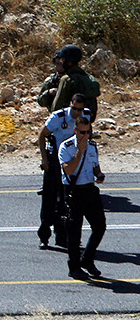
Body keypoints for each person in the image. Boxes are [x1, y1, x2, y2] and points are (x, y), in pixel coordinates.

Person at [36, 93, 91, 248]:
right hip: (55, 162)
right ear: (70, 104)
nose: (77, 112)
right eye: (74, 108)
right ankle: (44, 236)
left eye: (80, 109)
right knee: (49, 200)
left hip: (72, 161)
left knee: (66, 203)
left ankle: (63, 237)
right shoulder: (58, 117)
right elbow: (42, 135)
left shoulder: (85, 116)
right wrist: (44, 159)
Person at [58, 116, 106, 280]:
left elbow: (94, 165)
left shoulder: (92, 146)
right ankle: (74, 266)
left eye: (88, 132)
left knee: (100, 226)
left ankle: (87, 259)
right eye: (82, 132)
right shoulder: (67, 146)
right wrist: (79, 150)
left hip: (89, 190)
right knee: (74, 232)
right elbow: (69, 170)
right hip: (74, 192)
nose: (85, 136)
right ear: (75, 131)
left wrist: (98, 174)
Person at [50, 44, 100, 119]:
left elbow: (56, 108)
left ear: (68, 62)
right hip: (85, 122)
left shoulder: (66, 79)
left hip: (69, 122)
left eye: (63, 60)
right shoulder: (89, 77)